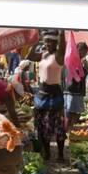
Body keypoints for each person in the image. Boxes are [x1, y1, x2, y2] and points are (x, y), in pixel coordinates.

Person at [27, 29, 67, 161]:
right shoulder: (43, 55)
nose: (48, 43)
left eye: (50, 41)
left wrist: (61, 31)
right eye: (46, 41)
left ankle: (60, 154)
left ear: (56, 42)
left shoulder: (58, 55)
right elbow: (30, 56)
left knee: (58, 127)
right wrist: (35, 41)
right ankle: (47, 153)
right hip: (41, 94)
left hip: (54, 94)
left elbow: (63, 44)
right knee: (42, 125)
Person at [63, 41, 88, 131]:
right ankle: (69, 130)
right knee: (72, 113)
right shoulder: (73, 59)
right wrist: (85, 68)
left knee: (74, 113)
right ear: (79, 50)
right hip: (73, 90)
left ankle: (71, 130)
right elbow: (77, 76)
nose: (85, 54)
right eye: (84, 52)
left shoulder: (77, 60)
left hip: (75, 90)